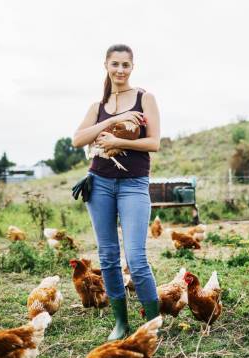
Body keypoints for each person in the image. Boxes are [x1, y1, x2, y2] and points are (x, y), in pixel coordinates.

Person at [72, 44, 160, 340]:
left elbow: (154, 143)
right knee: (108, 256)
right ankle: (121, 322)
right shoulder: (97, 107)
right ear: (106, 65)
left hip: (133, 184)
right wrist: (108, 122)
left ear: (132, 67)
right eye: (115, 64)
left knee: (135, 258)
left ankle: (152, 324)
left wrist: (118, 142)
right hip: (99, 184)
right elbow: (76, 140)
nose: (120, 70)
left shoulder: (144, 98)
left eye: (125, 65)